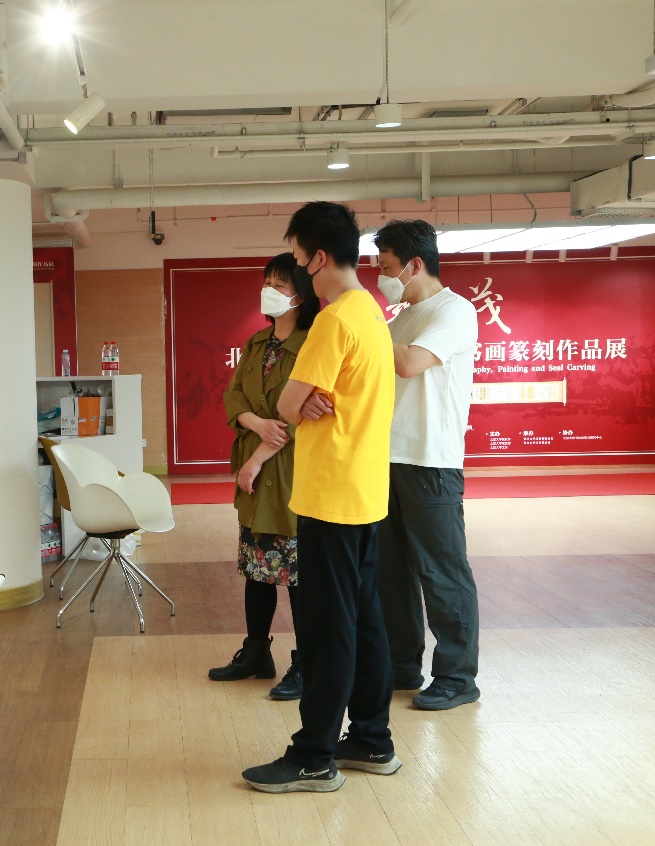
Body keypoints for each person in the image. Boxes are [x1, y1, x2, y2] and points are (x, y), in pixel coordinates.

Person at [242, 201, 399, 794]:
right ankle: (372, 739)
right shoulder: (370, 311)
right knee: (365, 620)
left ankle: (313, 756)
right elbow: (303, 401)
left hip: (330, 494)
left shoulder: (333, 321)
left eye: (298, 257)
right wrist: (302, 400)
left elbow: (288, 404)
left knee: (327, 628)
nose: (297, 270)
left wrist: (299, 401)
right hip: (363, 491)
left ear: (319, 257)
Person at [372, 220, 481, 710]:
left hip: (431, 461)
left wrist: (362, 330)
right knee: (391, 572)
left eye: (388, 267)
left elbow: (410, 363)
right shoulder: (398, 320)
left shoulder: (454, 310)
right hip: (387, 460)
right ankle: (401, 664)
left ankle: (457, 676)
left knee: (442, 571)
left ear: (415, 265)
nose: (382, 277)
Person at [210, 254, 320, 701]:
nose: (268, 291)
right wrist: (255, 424)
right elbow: (233, 395)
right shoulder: (258, 343)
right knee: (256, 568)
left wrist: (256, 457)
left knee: (298, 575)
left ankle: (307, 664)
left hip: (291, 471)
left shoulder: (312, 344)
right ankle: (256, 653)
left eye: (278, 284)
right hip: (255, 475)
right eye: (266, 282)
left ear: (300, 293)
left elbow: (306, 413)